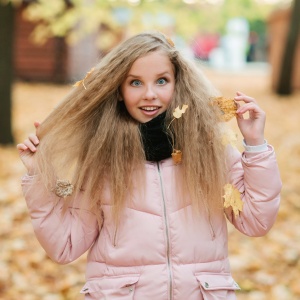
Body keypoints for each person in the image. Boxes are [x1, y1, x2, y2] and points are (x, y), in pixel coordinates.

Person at [17, 31, 281, 300]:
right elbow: (65, 246)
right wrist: (38, 176)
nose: (150, 94)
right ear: (118, 90)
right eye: (135, 83)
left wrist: (256, 145)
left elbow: (256, 222)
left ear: (178, 84)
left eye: (162, 81)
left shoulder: (210, 150)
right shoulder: (101, 159)